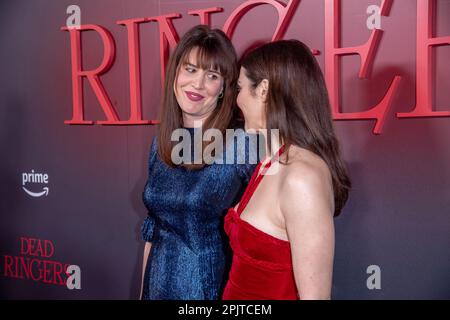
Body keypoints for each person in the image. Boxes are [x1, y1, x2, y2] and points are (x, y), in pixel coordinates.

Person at [222, 40, 351, 300]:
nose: (236, 99)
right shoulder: (269, 162)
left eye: (240, 88)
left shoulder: (302, 178)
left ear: (264, 90)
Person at [140, 25, 257, 300]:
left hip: (208, 291)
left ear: (224, 87)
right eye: (190, 69)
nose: (197, 84)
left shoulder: (241, 143)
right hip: (156, 288)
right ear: (175, 73)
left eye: (212, 75)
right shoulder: (162, 142)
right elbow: (153, 232)